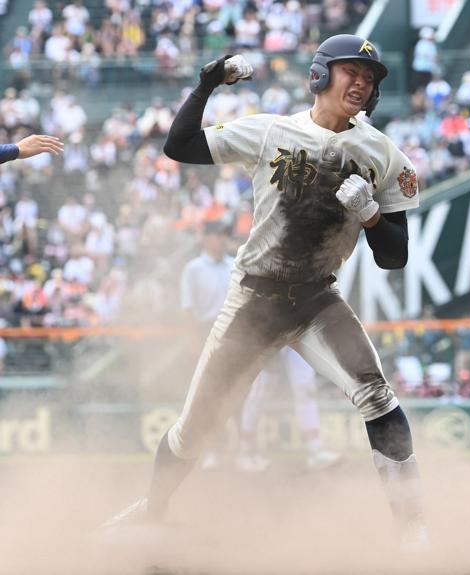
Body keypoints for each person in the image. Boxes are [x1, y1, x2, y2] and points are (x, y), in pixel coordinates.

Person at [104, 34, 427, 547]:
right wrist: (206, 85)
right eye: (351, 72)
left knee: (377, 394)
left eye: (369, 78)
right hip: (255, 299)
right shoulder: (272, 131)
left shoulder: (383, 155)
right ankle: (154, 508)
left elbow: (395, 256)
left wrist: (369, 216)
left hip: (318, 298)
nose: (362, 83)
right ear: (320, 75)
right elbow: (179, 145)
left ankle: (412, 529)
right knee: (197, 429)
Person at [181, 220, 341, 472]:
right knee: (219, 395)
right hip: (224, 333)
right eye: (217, 235)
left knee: (290, 388)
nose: (222, 239)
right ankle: (214, 451)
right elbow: (189, 309)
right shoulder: (202, 268)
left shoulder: (236, 264)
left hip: (261, 331)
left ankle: (312, 450)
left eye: (224, 234)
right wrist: (195, 341)